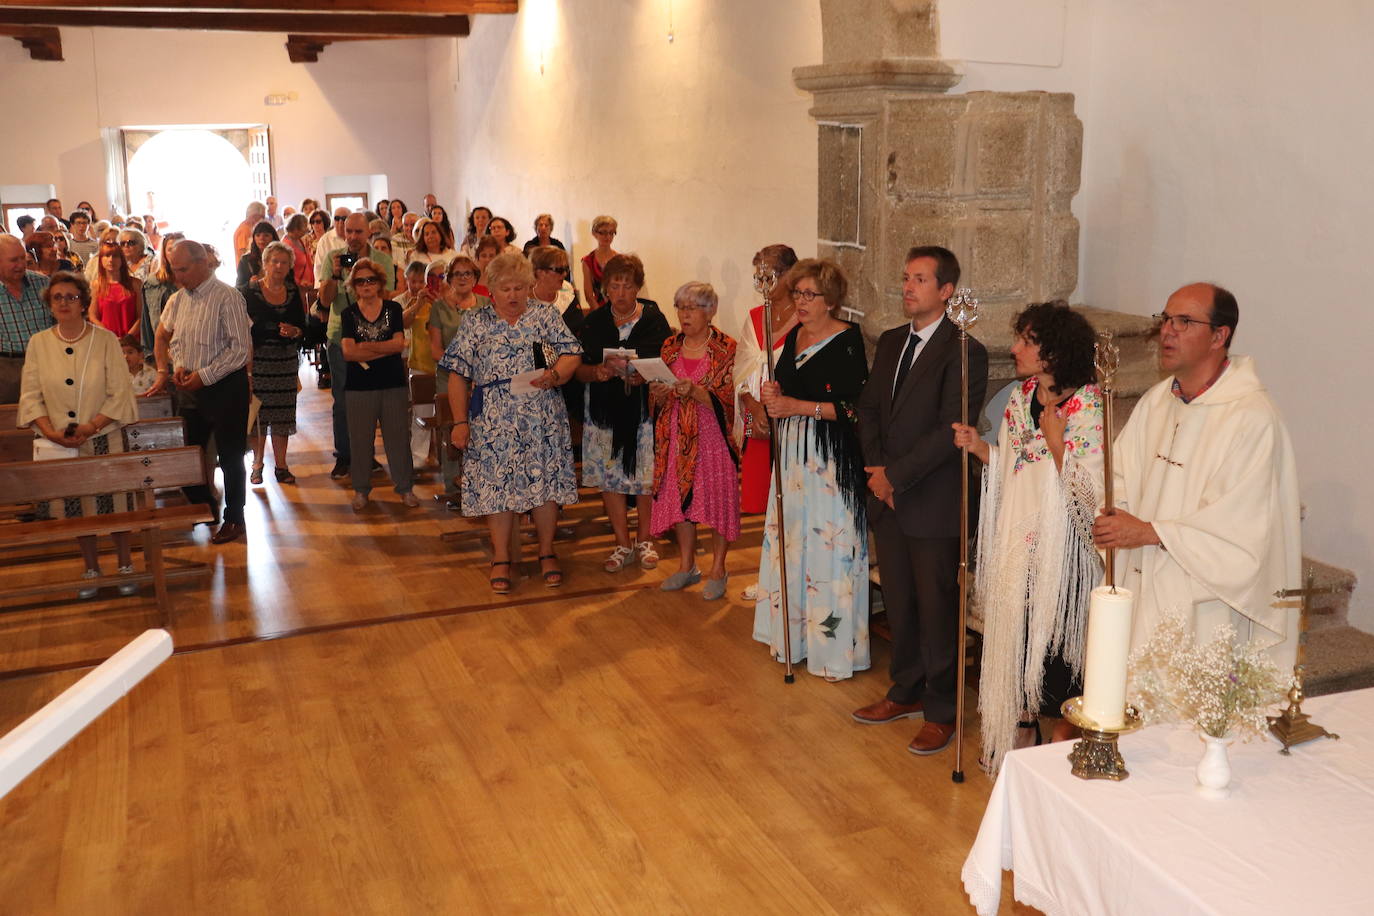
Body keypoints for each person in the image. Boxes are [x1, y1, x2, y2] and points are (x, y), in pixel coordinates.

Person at [1092, 283, 1301, 670]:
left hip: (1204, 603)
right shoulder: (1156, 401)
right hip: (1141, 581)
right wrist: (1113, 515)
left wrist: (1150, 531)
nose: (1168, 331)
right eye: (1166, 319)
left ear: (1219, 336)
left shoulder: (1251, 418)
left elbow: (1242, 526)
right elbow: (1119, 475)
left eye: (1184, 321)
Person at [952, 302, 1103, 770]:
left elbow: (1093, 494)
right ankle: (1019, 724)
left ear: (1054, 351)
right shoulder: (1023, 398)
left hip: (1065, 554)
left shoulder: (1090, 406)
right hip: (1020, 545)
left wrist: (1057, 443)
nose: (1015, 348)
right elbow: (1016, 469)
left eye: (1027, 341)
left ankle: (1062, 736)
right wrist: (982, 449)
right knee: (1014, 642)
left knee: (1059, 657)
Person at [853, 245, 988, 755]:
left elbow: (949, 429)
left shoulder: (964, 350)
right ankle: (904, 690)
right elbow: (868, 409)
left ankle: (941, 710)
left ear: (946, 291)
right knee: (902, 603)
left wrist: (896, 476)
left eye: (920, 280)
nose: (908, 287)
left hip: (932, 500)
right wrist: (875, 469)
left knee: (937, 610)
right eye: (906, 278)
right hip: (887, 494)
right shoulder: (890, 342)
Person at [751, 259, 870, 682]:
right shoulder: (793, 336)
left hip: (829, 461)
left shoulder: (849, 342)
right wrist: (774, 394)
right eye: (795, 293)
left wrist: (798, 407)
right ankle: (793, 639)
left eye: (808, 295)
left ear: (831, 300)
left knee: (827, 546)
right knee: (794, 543)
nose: (799, 302)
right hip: (792, 457)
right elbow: (787, 389)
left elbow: (858, 409)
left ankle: (831, 649)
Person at [441, 251, 583, 592]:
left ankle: (547, 551)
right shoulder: (476, 322)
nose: (514, 295)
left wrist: (556, 375)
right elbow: (457, 375)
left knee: (545, 487)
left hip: (542, 416)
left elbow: (572, 352)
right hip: (493, 419)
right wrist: (460, 422)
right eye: (506, 288)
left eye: (520, 287)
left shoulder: (544, 315)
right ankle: (501, 556)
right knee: (497, 488)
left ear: (530, 285)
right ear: (491, 288)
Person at [18, 271, 139, 598]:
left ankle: (125, 563)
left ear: (84, 301)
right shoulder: (39, 343)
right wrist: (49, 432)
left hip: (104, 437)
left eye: (71, 296)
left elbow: (120, 392)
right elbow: (30, 396)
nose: (64, 302)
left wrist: (91, 426)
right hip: (58, 441)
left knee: (115, 506)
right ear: (49, 303)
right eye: (57, 297)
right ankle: (91, 567)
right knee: (76, 508)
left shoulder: (105, 340)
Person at [150, 240, 252, 545]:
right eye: (174, 269)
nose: (177, 276)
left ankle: (235, 518)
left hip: (225, 387)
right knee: (191, 454)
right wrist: (178, 366)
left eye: (182, 269)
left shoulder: (228, 297)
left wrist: (204, 376)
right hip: (190, 386)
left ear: (202, 263)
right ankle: (206, 504)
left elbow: (240, 350)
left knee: (231, 456)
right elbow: (173, 340)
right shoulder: (178, 300)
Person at [576, 253, 670, 573]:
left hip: (642, 412)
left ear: (637, 287)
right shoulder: (593, 322)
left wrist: (645, 374)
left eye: (627, 286)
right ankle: (621, 542)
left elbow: (666, 361)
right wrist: (598, 372)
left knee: (644, 478)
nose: (620, 292)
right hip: (604, 411)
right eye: (614, 286)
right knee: (610, 478)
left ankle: (645, 540)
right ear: (605, 289)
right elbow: (579, 369)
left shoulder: (653, 318)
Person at [649, 281, 739, 600]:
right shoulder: (670, 346)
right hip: (676, 435)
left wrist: (697, 392)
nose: (685, 315)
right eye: (681, 307)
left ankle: (718, 569)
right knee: (681, 500)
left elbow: (730, 399)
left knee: (715, 500)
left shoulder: (727, 349)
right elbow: (658, 394)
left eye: (692, 308)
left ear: (711, 311)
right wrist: (659, 394)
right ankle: (687, 566)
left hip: (712, 437)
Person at [339, 258, 417, 510]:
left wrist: (366, 347)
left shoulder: (393, 309)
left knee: (398, 439)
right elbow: (349, 353)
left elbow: (400, 344)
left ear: (380, 282)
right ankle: (361, 490)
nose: (366, 285)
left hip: (392, 383)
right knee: (361, 441)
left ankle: (405, 488)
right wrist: (386, 349)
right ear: (353, 285)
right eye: (360, 281)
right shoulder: (348, 314)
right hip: (359, 387)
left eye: (370, 280)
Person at [318, 212, 387, 480]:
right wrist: (335, 274)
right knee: (343, 400)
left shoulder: (381, 260)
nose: (353, 238)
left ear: (369, 232)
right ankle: (344, 456)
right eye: (348, 232)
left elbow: (386, 297)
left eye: (358, 232)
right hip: (339, 338)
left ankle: (367, 456)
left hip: (373, 339)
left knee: (370, 400)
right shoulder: (332, 258)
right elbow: (325, 300)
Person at [736, 244, 799, 517]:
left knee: (791, 504)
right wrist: (752, 403)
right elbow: (739, 373)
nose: (764, 284)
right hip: (757, 419)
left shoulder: (806, 319)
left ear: (790, 274)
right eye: (759, 278)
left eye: (770, 276)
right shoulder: (754, 317)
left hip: (792, 420)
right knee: (761, 501)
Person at [244, 242, 307, 486]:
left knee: (282, 415)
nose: (279, 266)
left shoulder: (293, 293)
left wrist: (294, 331)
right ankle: (257, 464)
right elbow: (245, 328)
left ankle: (281, 466)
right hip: (258, 361)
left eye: (283, 262)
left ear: (289, 265)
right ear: (265, 263)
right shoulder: (249, 292)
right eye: (274, 261)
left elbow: (303, 327)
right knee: (258, 416)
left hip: (284, 362)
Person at [426, 256, 486, 509]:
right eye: (457, 274)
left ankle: (481, 485)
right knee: (454, 430)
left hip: (481, 379)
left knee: (481, 432)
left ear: (474, 278)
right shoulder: (439, 308)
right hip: (449, 378)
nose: (463, 278)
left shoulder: (485, 304)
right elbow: (436, 351)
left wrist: (477, 371)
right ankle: (454, 487)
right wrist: (464, 369)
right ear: (449, 279)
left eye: (468, 273)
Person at [529, 246, 584, 437]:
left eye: (565, 269)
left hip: (568, 375)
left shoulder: (568, 298)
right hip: (533, 377)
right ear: (539, 272)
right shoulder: (524, 301)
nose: (564, 274)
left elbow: (579, 335)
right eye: (558, 270)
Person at [139, 231, 183, 357]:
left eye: (179, 248)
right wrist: (149, 352)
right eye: (170, 249)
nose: (175, 253)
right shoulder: (153, 283)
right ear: (164, 253)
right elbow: (148, 320)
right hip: (164, 347)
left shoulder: (195, 280)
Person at [90, 237, 143, 340]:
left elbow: (141, 316)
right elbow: (93, 316)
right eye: (107, 256)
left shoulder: (135, 284)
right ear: (101, 260)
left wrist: (128, 337)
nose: (111, 260)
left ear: (122, 260)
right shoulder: (97, 285)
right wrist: (110, 336)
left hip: (131, 342)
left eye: (115, 256)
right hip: (106, 340)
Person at [581, 215, 618, 310]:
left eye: (611, 233)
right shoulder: (587, 261)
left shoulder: (620, 259)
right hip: (597, 309)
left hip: (619, 309)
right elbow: (589, 295)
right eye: (603, 233)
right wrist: (600, 315)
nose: (608, 237)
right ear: (594, 233)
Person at [311, 206, 351, 284]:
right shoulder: (325, 240)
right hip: (332, 286)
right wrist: (320, 290)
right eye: (337, 218)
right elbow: (318, 269)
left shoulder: (355, 237)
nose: (340, 221)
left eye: (344, 218)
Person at [236, 221, 280, 289]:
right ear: (254, 238)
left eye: (266, 235)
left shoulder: (282, 258)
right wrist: (250, 284)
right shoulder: (245, 260)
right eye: (258, 235)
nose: (261, 238)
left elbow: (290, 283)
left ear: (273, 238)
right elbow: (238, 287)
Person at [282, 213, 316, 292]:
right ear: (296, 228)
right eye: (304, 226)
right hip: (295, 288)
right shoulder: (285, 245)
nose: (307, 229)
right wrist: (299, 283)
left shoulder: (300, 240)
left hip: (307, 286)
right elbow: (286, 270)